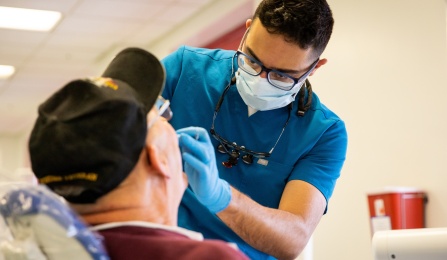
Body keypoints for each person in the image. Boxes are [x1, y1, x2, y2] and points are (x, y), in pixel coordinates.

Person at [163, 0, 348, 259]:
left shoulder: (323, 133)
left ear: (314, 68)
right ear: (247, 30)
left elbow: (292, 241)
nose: (259, 80)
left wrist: (221, 196)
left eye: (281, 76)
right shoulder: (184, 70)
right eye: (252, 60)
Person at [27, 47, 248, 260]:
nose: (170, 122)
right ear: (158, 158)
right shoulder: (209, 257)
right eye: (163, 114)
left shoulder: (30, 249)